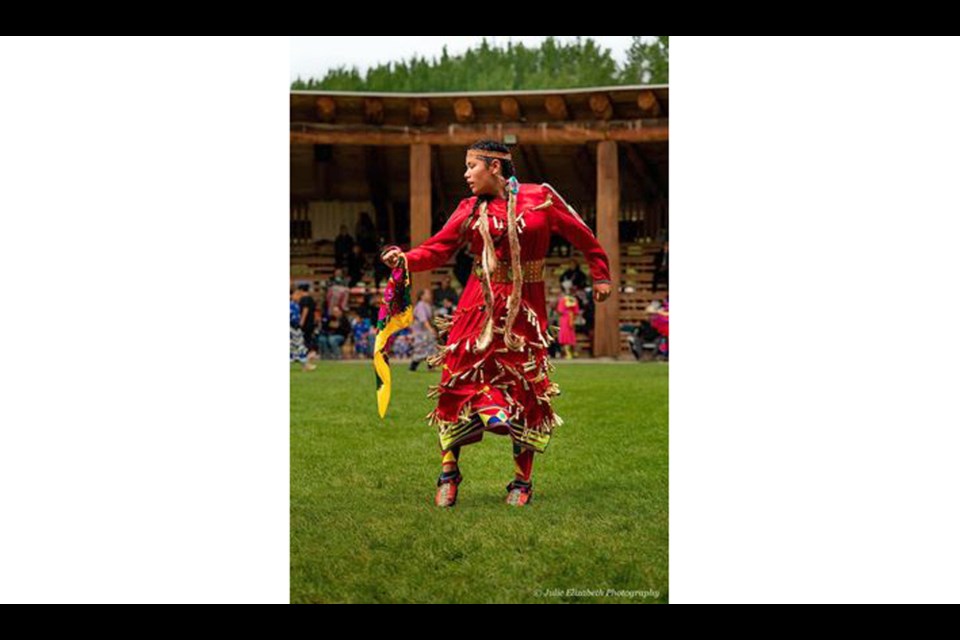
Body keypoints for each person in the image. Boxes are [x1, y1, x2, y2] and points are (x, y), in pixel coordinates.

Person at [380, 139, 612, 508]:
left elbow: (582, 234)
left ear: (494, 167)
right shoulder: (468, 208)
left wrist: (600, 274)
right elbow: (439, 247)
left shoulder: (542, 197)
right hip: (478, 304)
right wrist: (405, 259)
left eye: (471, 166)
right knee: (456, 380)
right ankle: (448, 472)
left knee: (527, 387)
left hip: (526, 308)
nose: (465, 174)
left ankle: (522, 481)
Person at [409, 289, 439, 372]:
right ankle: (413, 367)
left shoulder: (428, 305)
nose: (429, 295)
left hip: (426, 330)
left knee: (432, 348)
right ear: (422, 296)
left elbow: (430, 319)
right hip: (420, 332)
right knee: (421, 349)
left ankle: (430, 367)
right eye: (427, 294)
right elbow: (423, 319)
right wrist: (430, 329)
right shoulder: (420, 306)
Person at [290, 286, 316, 371]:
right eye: (297, 294)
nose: (299, 296)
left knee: (299, 346)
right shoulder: (291, 305)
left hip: (295, 329)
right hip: (292, 328)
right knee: (297, 346)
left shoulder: (296, 305)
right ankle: (305, 365)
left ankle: (305, 365)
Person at [556, 289, 581, 360]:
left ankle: (568, 354)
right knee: (571, 335)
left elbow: (560, 310)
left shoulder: (562, 300)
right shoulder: (574, 300)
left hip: (564, 319)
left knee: (565, 336)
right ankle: (573, 352)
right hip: (571, 318)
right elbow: (576, 311)